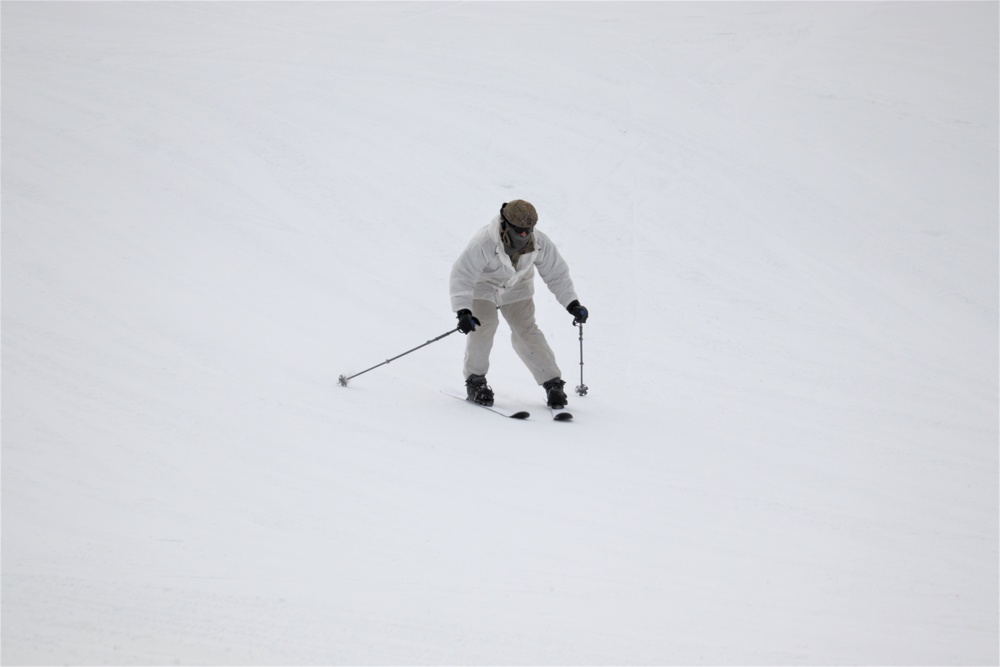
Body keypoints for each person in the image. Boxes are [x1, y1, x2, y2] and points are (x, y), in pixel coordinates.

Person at [449, 199, 588, 409]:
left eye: (528, 230)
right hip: (483, 286)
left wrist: (572, 303)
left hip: (517, 286)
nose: (524, 235)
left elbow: (556, 273)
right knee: (484, 324)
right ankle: (475, 380)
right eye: (519, 231)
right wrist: (463, 311)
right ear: (505, 224)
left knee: (526, 329)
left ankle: (552, 383)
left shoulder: (539, 242)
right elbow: (463, 274)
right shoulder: (484, 242)